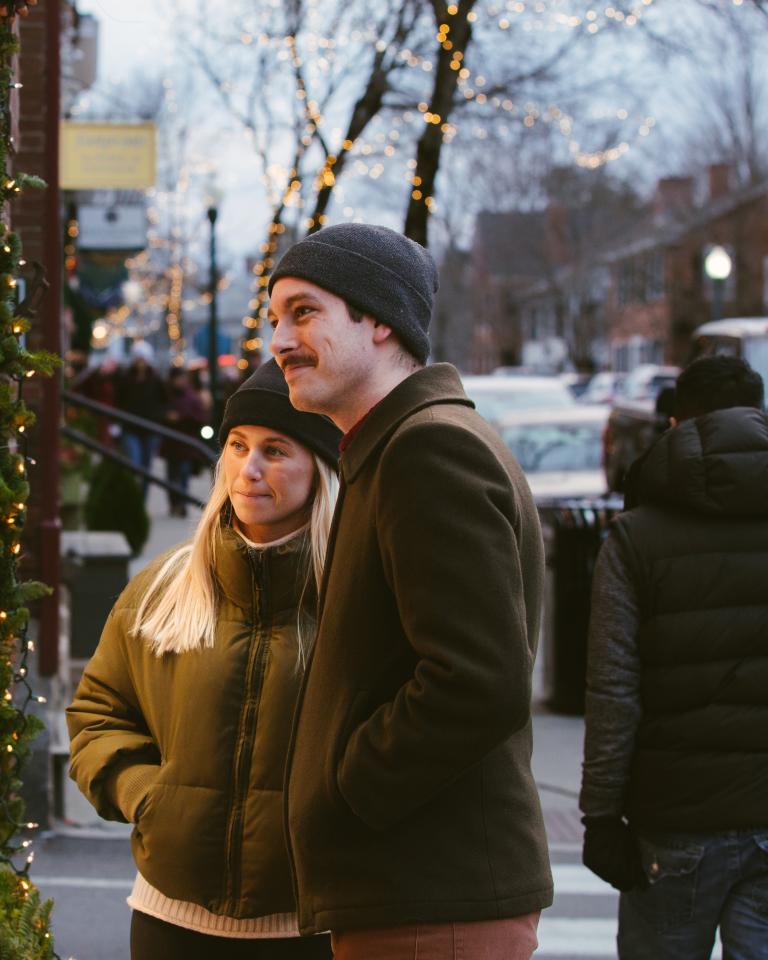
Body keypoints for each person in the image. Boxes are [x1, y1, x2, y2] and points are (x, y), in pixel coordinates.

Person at [267, 223, 552, 959]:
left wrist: (350, 790)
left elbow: (479, 681)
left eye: (304, 312)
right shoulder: (393, 447)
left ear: (380, 316)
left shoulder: (427, 449)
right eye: (275, 318)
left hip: (432, 892)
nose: (280, 340)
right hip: (414, 889)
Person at [67, 359, 342, 959]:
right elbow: (97, 713)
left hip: (313, 927)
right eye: (238, 446)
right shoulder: (164, 588)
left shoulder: (354, 600)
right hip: (170, 923)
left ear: (320, 471)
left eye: (276, 451)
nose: (249, 469)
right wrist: (146, 796)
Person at [579, 355, 768, 959]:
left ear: (675, 427)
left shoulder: (636, 538)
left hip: (675, 821)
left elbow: (613, 690)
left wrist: (602, 816)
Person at [114, 340, 169, 497]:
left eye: (143, 358)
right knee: (134, 463)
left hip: (151, 428)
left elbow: (165, 400)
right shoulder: (125, 379)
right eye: (138, 358)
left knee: (146, 467)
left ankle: (141, 499)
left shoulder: (156, 379)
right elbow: (118, 400)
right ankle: (133, 497)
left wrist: (160, 417)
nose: (141, 362)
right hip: (130, 428)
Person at [162, 367, 210, 517]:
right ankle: (175, 503)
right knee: (172, 475)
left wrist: (183, 417)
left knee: (182, 474)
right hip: (171, 443)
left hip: (186, 443)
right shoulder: (166, 395)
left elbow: (200, 417)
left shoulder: (192, 397)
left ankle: (181, 503)